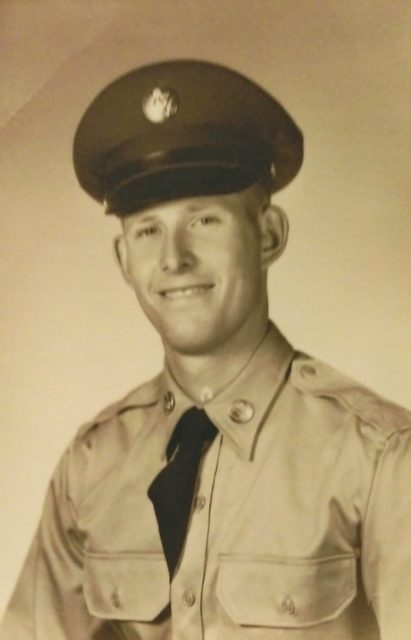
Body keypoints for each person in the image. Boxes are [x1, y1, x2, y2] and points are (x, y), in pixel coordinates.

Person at [1, 59, 410, 640]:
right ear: (123, 260)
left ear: (268, 236)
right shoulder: (92, 466)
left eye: (205, 222)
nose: (174, 259)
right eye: (147, 231)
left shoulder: (378, 461)